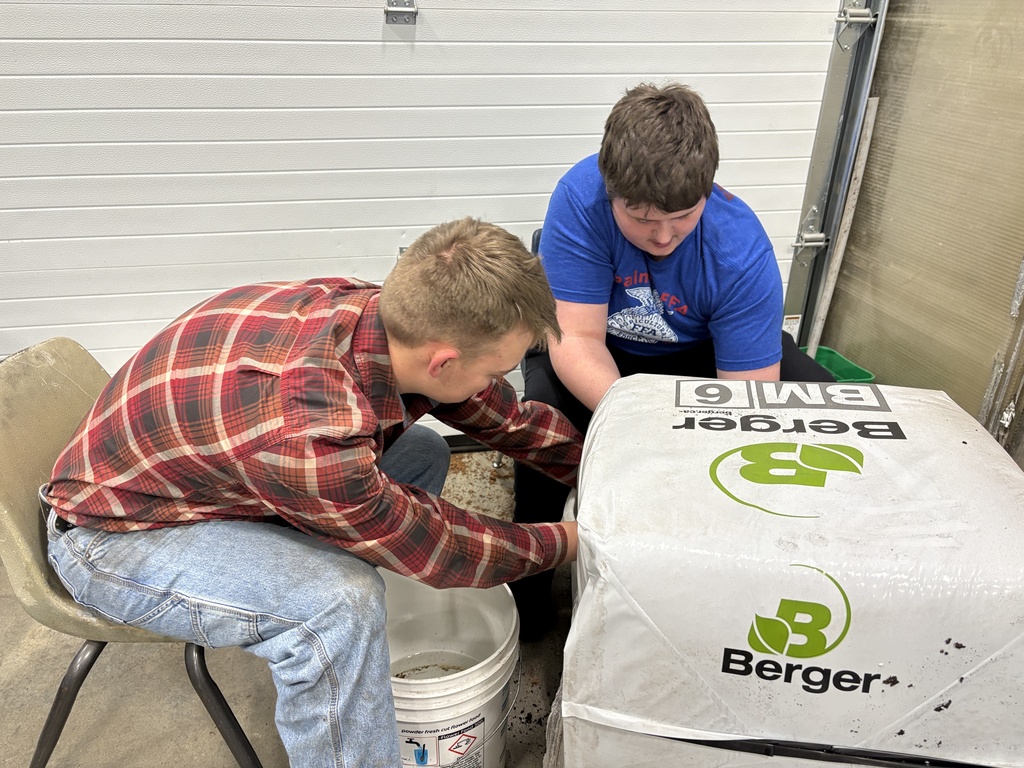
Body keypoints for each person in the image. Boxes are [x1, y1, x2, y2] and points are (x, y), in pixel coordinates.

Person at [41, 217, 582, 768]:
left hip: (196, 476)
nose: (500, 381)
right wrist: (571, 540)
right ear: (442, 360)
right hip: (112, 538)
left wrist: (594, 466)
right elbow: (440, 547)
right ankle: (335, 663)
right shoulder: (309, 430)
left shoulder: (371, 313)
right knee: (340, 606)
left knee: (422, 453)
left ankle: (348, 660)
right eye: (499, 369)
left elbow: (498, 415)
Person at [512, 82, 833, 640]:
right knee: (541, 428)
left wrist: (690, 455)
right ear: (611, 193)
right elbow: (578, 338)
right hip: (598, 350)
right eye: (640, 218)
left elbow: (745, 403)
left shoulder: (740, 249)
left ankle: (750, 580)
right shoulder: (580, 199)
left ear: (707, 191)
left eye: (682, 216)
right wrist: (637, 421)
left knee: (818, 411)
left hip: (700, 356)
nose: (662, 236)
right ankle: (529, 606)